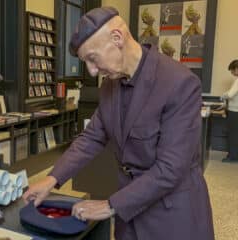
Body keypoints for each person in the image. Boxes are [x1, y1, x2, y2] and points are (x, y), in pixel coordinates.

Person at [23, 7, 214, 240]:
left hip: (171, 214)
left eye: (92, 59)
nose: (92, 71)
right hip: (128, 213)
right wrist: (51, 179)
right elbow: (91, 137)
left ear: (117, 38)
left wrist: (109, 205)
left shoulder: (180, 83)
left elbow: (170, 169)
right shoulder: (109, 86)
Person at [221, 59, 238, 162]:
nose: (231, 73)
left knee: (233, 135)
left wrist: (223, 96)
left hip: (234, 111)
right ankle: (234, 155)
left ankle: (232, 157)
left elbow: (230, 94)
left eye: (232, 70)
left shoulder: (237, 80)